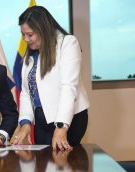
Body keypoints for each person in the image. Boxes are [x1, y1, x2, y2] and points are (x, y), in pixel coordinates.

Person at [12, 6, 90, 151]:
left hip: (69, 119)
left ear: (43, 30)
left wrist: (61, 127)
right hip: (42, 119)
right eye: (23, 34)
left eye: (30, 34)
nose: (25, 39)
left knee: (63, 165)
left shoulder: (67, 43)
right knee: (45, 165)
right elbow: (26, 92)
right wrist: (25, 123)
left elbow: (68, 87)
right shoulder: (30, 54)